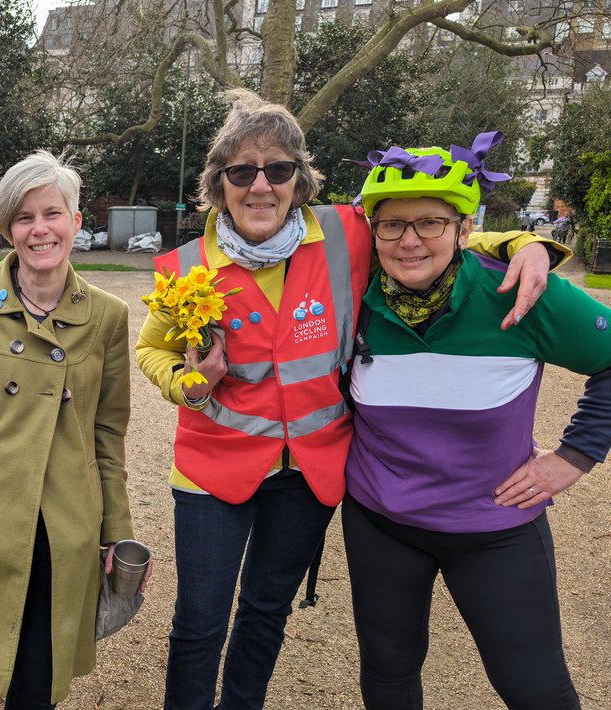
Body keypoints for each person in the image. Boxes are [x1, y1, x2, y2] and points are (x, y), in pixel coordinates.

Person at [133, 89, 562, 710]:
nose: (260, 185)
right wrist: (191, 383)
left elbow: (432, 230)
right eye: (241, 171)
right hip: (212, 468)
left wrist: (525, 244)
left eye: (278, 169)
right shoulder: (186, 264)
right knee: (199, 621)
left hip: (311, 469)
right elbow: (152, 352)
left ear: (299, 180)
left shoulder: (346, 232)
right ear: (219, 183)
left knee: (265, 609)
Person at [343, 135, 610, 709]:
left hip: (495, 528)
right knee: (388, 675)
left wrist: (575, 456)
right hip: (380, 521)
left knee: (534, 687)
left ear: (463, 230)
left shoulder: (518, 291)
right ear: (373, 231)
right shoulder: (353, 296)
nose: (410, 240)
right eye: (391, 225)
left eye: (430, 223)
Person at [0, 150, 147, 709]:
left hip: (65, 530)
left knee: (34, 691)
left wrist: (116, 534)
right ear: (7, 227)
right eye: (24, 217)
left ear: (75, 221)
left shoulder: (108, 316)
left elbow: (107, 436)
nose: (39, 229)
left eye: (52, 213)